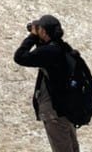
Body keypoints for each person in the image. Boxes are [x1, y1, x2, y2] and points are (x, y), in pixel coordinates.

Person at [14, 15, 80, 152]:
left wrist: (32, 36)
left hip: (55, 112)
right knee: (72, 148)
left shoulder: (49, 52)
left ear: (44, 32)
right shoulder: (63, 47)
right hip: (67, 109)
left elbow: (20, 57)